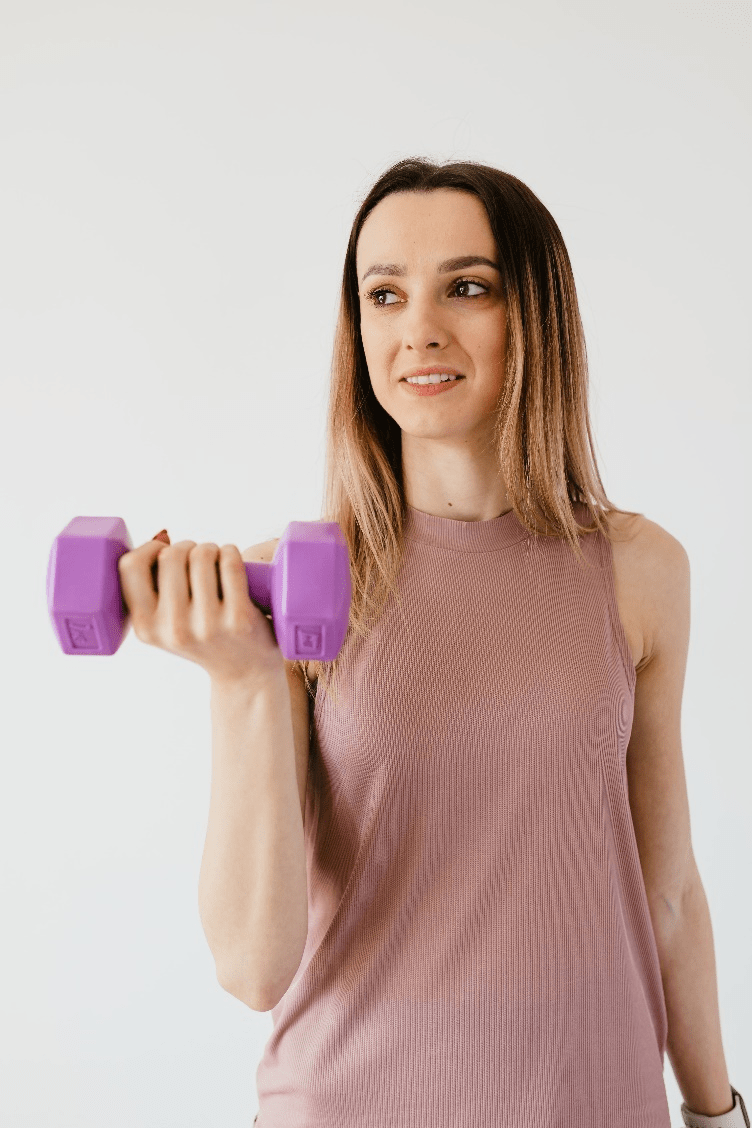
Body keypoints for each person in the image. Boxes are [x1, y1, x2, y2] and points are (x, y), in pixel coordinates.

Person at [248, 158, 741, 1128]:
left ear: (535, 317)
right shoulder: (293, 580)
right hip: (348, 1103)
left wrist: (714, 1109)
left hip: (592, 1103)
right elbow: (250, 956)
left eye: (465, 288)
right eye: (382, 295)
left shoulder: (637, 570)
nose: (417, 328)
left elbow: (667, 888)